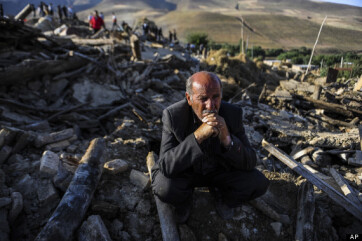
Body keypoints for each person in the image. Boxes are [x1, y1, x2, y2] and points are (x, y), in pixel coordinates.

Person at [151, 71, 269, 223]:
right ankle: (184, 201)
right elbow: (166, 165)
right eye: (203, 98)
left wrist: (227, 139)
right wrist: (197, 136)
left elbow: (250, 161)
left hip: (219, 172)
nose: (211, 106)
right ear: (189, 98)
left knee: (258, 183)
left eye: (216, 97)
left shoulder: (233, 114)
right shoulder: (174, 116)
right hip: (188, 173)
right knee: (164, 186)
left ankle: (224, 197)